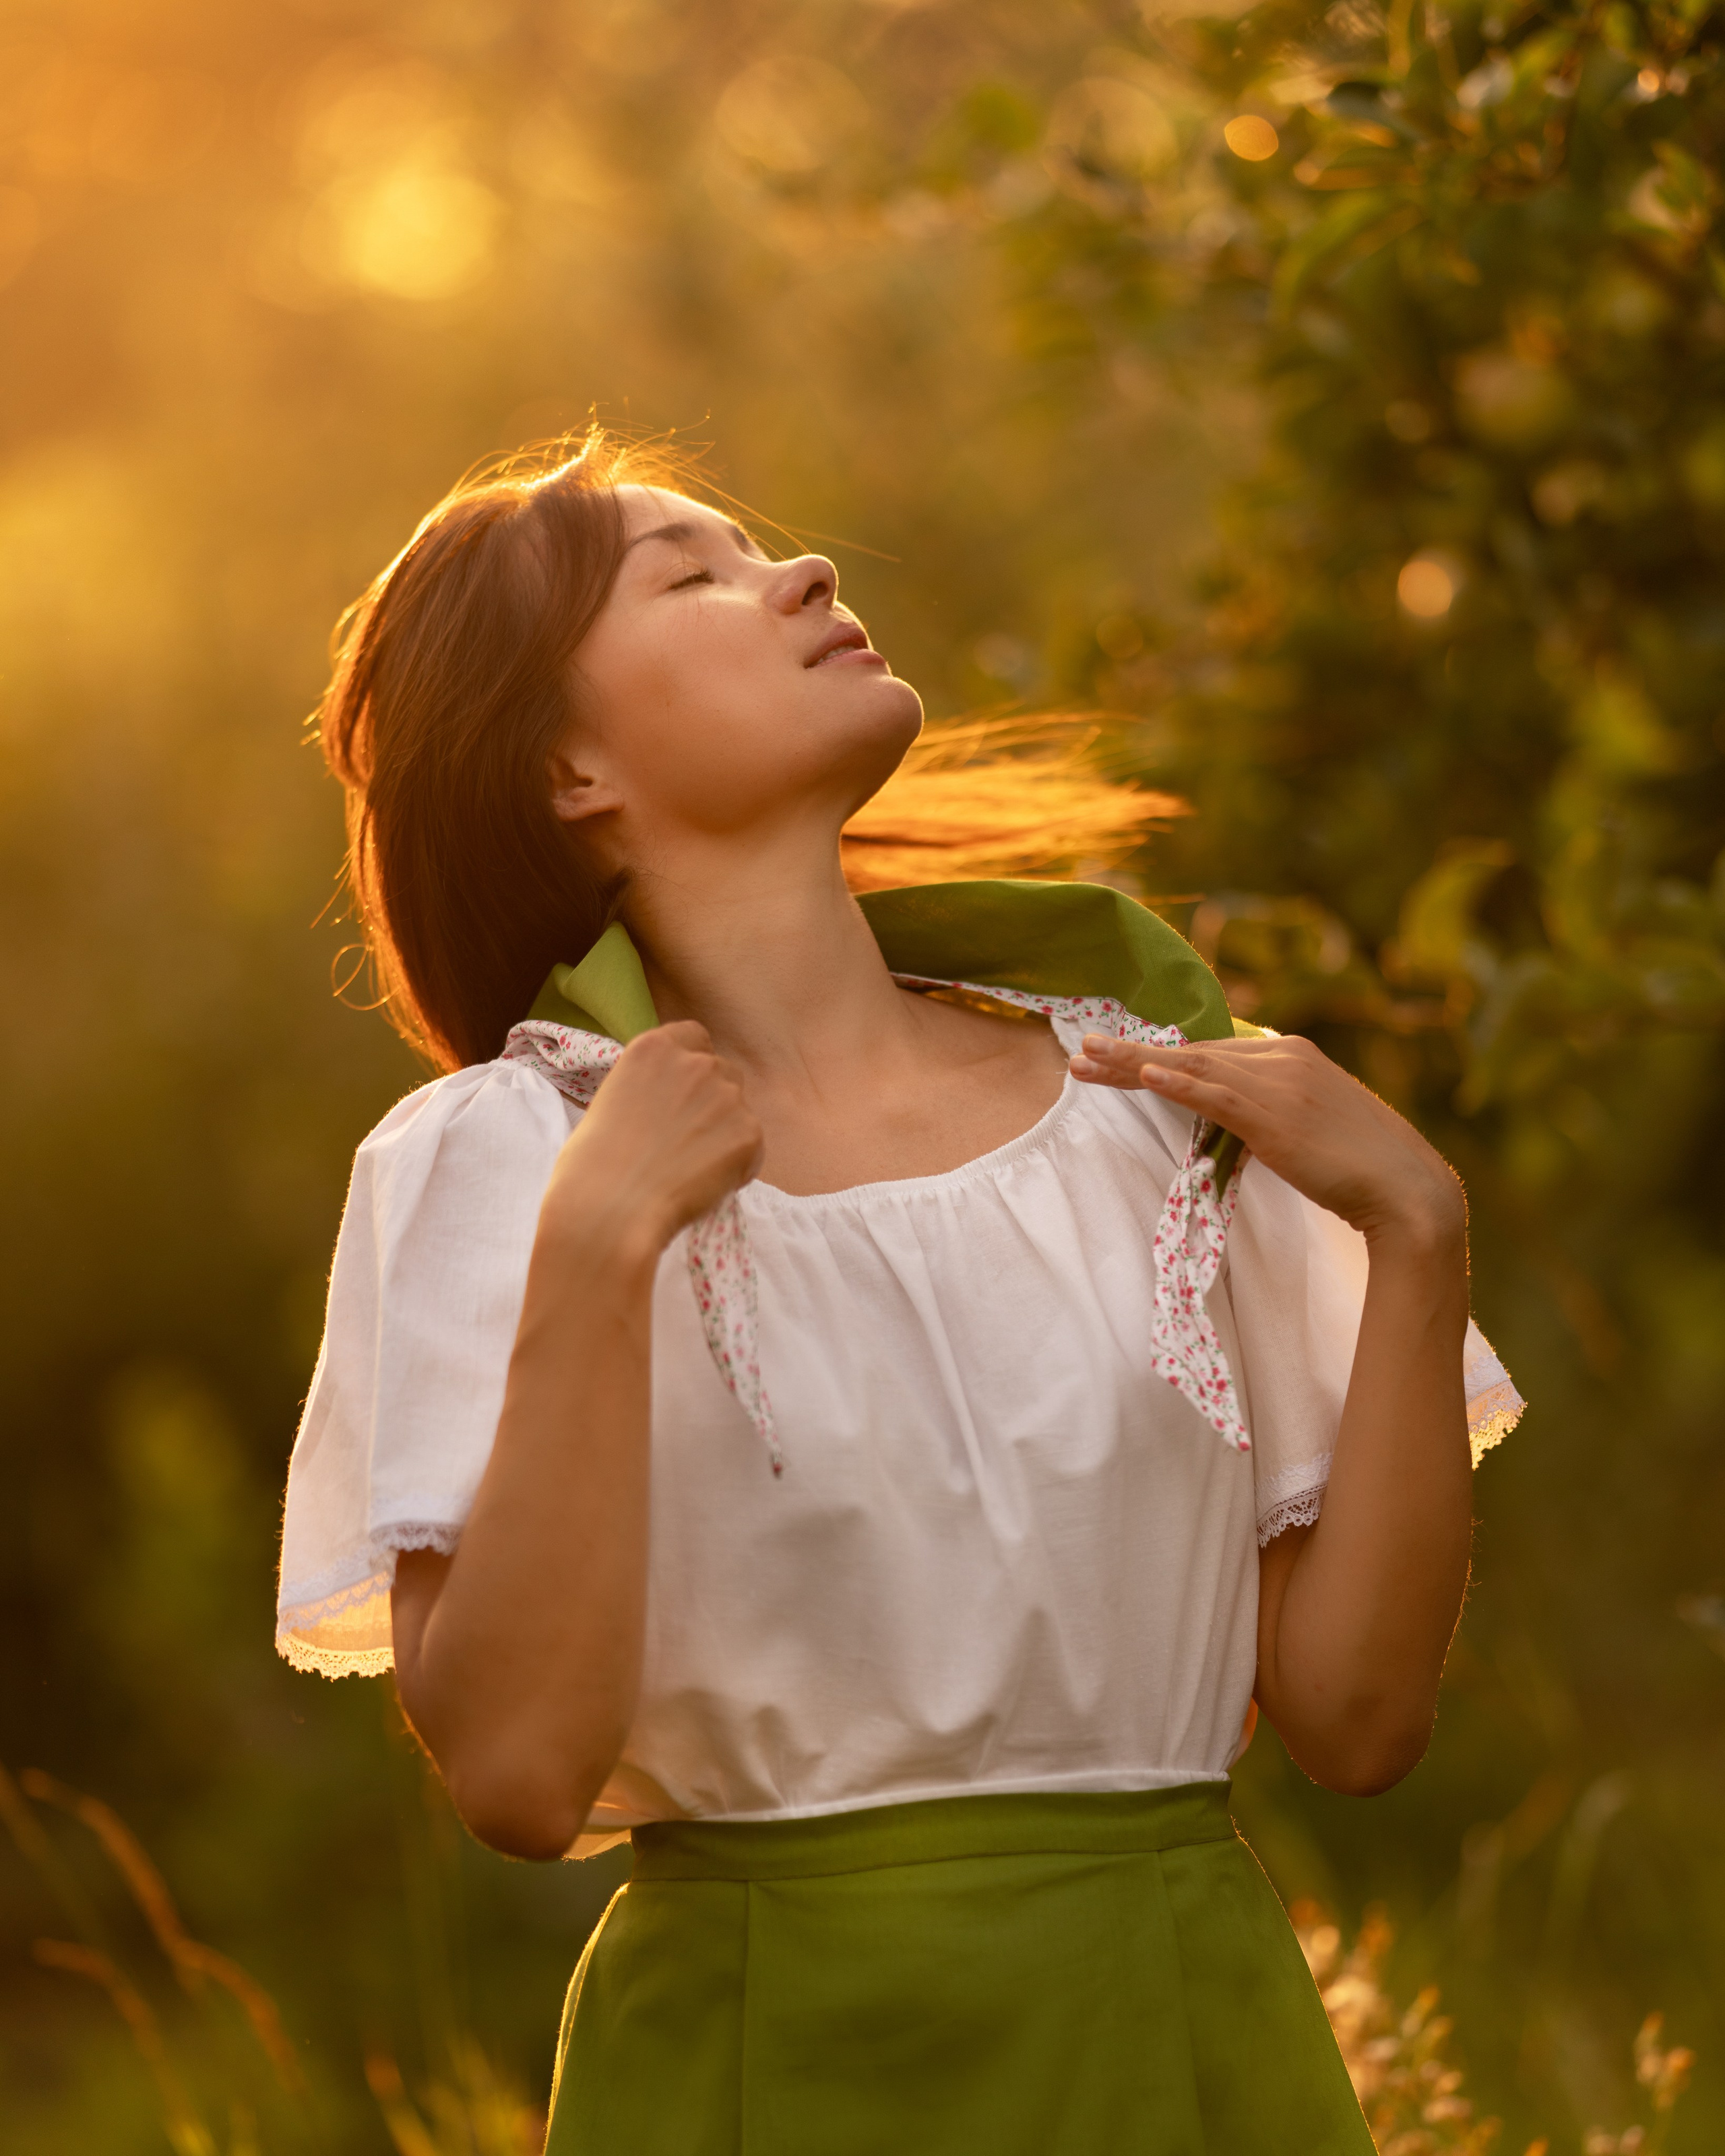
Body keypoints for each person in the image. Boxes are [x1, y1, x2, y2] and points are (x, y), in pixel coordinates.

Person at [276, 433, 1522, 2154]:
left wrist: (1418, 1230)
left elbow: (1360, 1719)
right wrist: (594, 1251)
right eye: (691, 574)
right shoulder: (502, 1160)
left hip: (1184, 2038)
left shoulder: (1163, 1106)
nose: (801, 576)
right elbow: (515, 1774)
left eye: (762, 549)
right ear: (567, 764)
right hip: (751, 2064)